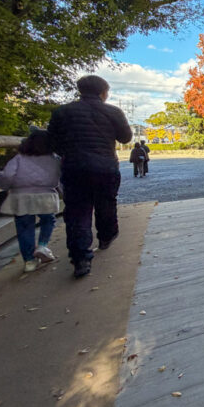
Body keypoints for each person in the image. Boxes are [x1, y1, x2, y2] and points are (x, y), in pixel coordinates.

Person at [48, 75, 132, 278]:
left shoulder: (63, 112)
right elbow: (126, 137)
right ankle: (106, 236)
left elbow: (52, 141)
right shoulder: (113, 111)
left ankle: (81, 259)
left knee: (77, 212)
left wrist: (68, 151)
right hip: (105, 167)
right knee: (106, 203)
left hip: (75, 167)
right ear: (103, 92)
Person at [0, 130, 60, 273]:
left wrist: (5, 186)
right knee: (48, 220)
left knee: (25, 227)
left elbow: (7, 176)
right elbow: (60, 177)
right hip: (45, 194)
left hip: (21, 196)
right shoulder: (54, 158)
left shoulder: (19, 158)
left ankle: (29, 261)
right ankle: (42, 245)